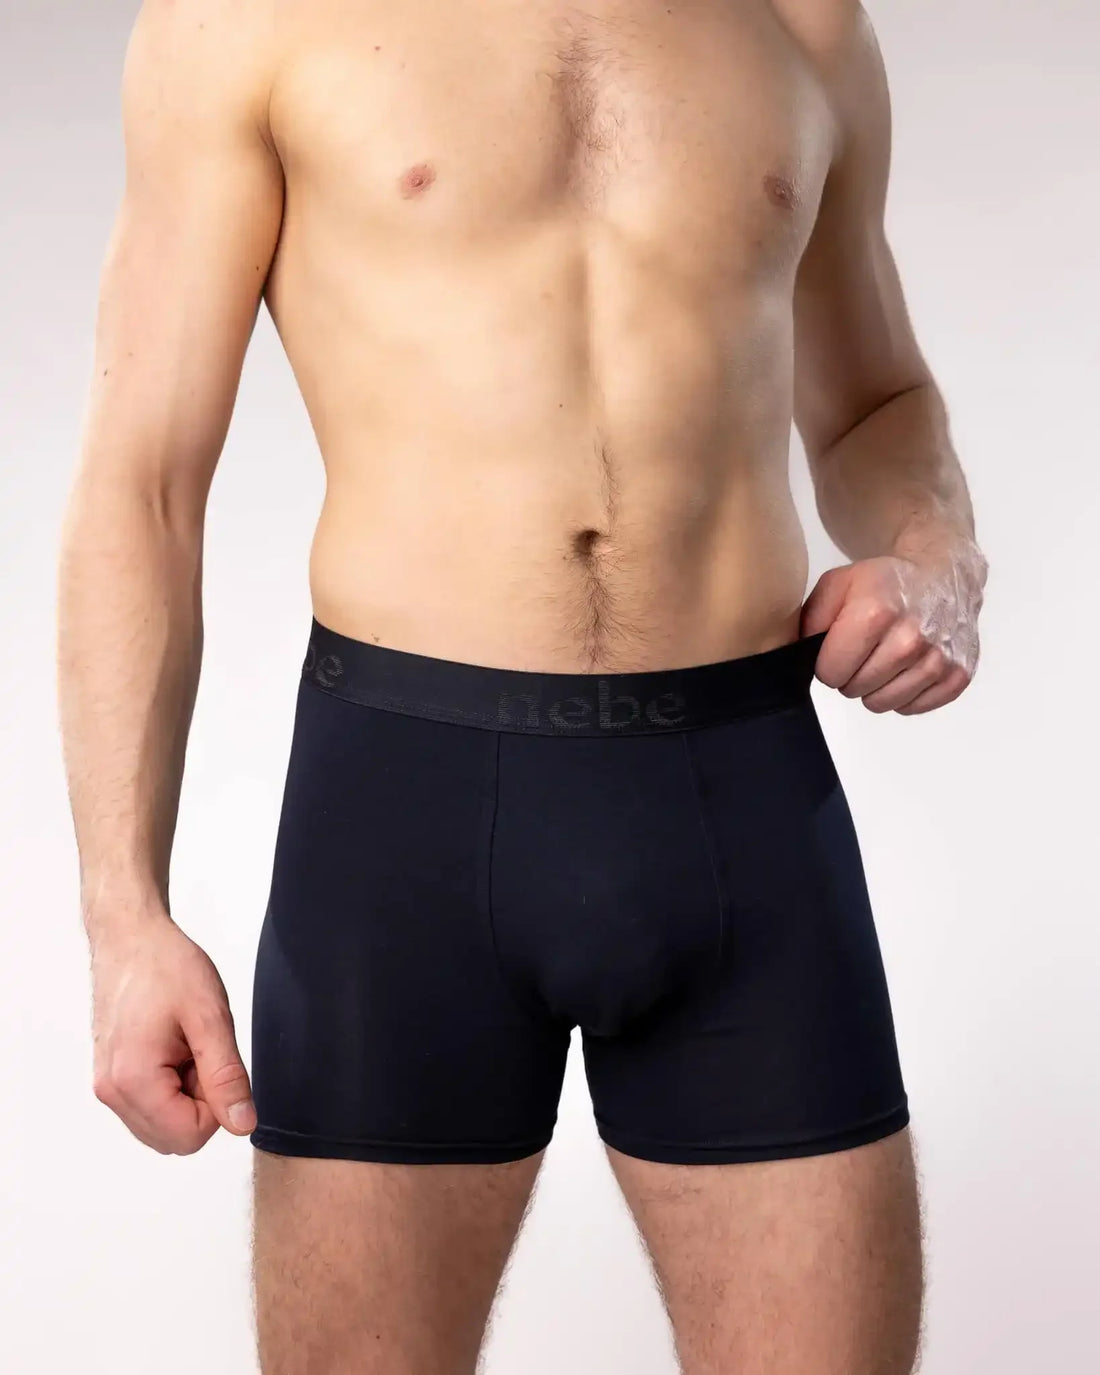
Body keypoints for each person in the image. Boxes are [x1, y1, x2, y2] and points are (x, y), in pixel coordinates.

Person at [57, 0, 986, 1371]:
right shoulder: (249, 23)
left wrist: (935, 556)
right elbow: (143, 480)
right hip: (402, 821)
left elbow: (875, 403)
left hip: (742, 803)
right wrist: (123, 919)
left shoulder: (804, 25)